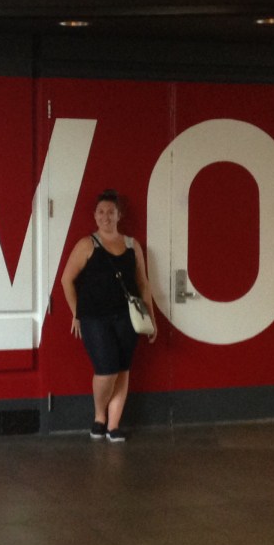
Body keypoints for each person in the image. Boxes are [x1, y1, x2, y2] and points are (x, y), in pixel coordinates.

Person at [60, 189, 157, 442]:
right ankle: (99, 416)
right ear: (94, 215)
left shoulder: (132, 245)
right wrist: (77, 313)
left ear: (119, 215)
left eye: (111, 212)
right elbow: (66, 280)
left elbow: (143, 283)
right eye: (101, 212)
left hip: (127, 318)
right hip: (94, 319)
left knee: (123, 369)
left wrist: (151, 319)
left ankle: (113, 426)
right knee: (106, 370)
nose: (106, 216)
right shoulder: (86, 244)